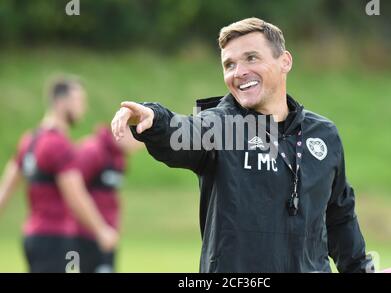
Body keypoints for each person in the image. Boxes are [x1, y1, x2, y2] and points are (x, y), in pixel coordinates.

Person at [111, 18, 373, 273]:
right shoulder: (220, 127)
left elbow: (340, 217)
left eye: (251, 58)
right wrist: (154, 118)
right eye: (229, 64)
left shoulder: (323, 134)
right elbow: (182, 133)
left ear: (285, 62)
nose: (239, 72)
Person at [0, 75, 118, 273]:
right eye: (79, 101)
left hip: (32, 237)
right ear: (61, 102)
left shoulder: (30, 140)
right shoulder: (58, 145)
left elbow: (5, 190)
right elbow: (75, 194)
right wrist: (101, 231)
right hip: (55, 237)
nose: (83, 108)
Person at [73, 125, 141, 273]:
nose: (141, 145)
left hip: (107, 237)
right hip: (83, 236)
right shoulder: (92, 151)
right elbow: (74, 192)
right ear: (126, 131)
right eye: (140, 138)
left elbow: (110, 195)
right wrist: (99, 229)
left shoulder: (120, 158)